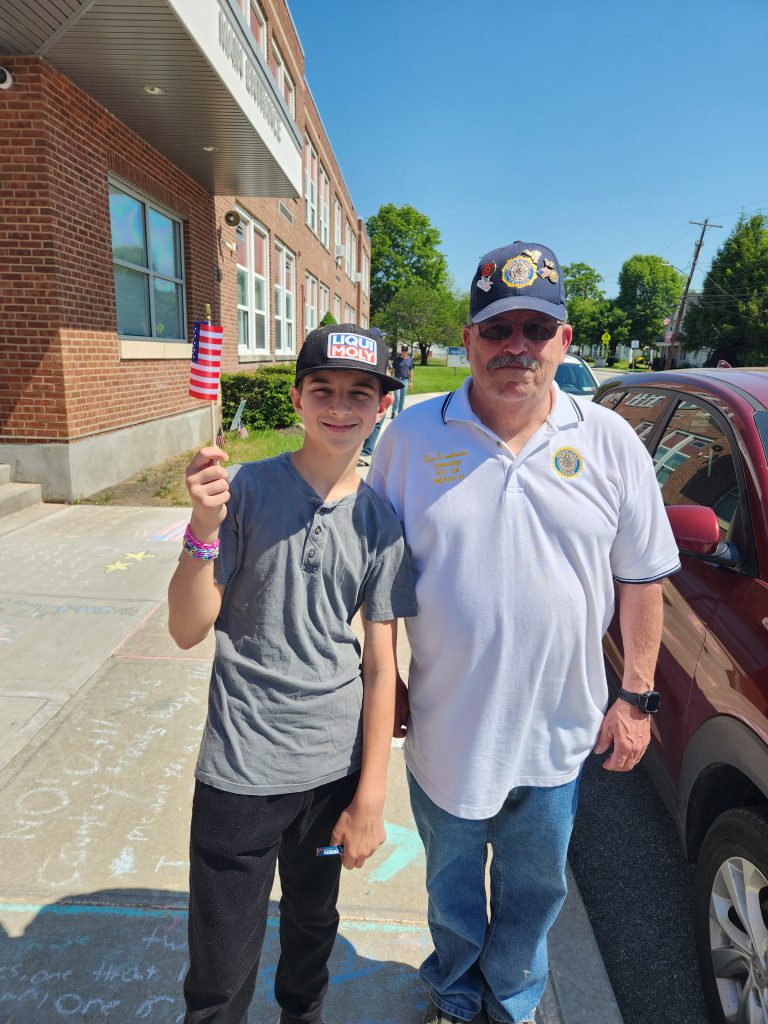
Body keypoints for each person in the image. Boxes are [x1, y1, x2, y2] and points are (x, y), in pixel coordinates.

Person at [368, 241, 680, 1024]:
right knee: (448, 886)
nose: (517, 348)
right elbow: (372, 579)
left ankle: (511, 1001)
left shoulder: (608, 441)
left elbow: (642, 578)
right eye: (497, 329)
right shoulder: (410, 440)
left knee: (535, 890)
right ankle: (452, 993)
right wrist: (387, 683)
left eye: (535, 330)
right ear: (468, 339)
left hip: (557, 734)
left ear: (564, 342)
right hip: (445, 726)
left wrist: (636, 697)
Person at [168, 323, 416, 1024]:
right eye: (324, 391)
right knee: (219, 969)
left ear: (381, 408)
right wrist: (202, 528)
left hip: (328, 772)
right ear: (297, 398)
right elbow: (188, 628)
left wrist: (371, 793)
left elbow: (378, 665)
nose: (341, 407)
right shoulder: (243, 491)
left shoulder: (381, 524)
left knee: (310, 937)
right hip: (239, 770)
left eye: (359, 395)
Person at [390, 345, 414, 417]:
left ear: (407, 351)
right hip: (397, 379)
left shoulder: (410, 360)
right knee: (397, 397)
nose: (404, 352)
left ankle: (400, 413)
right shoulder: (396, 359)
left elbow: (411, 371)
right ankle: (394, 412)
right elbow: (392, 370)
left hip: (405, 380)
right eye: (403, 350)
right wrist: (391, 380)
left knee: (402, 398)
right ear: (401, 351)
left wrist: (411, 382)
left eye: (405, 350)